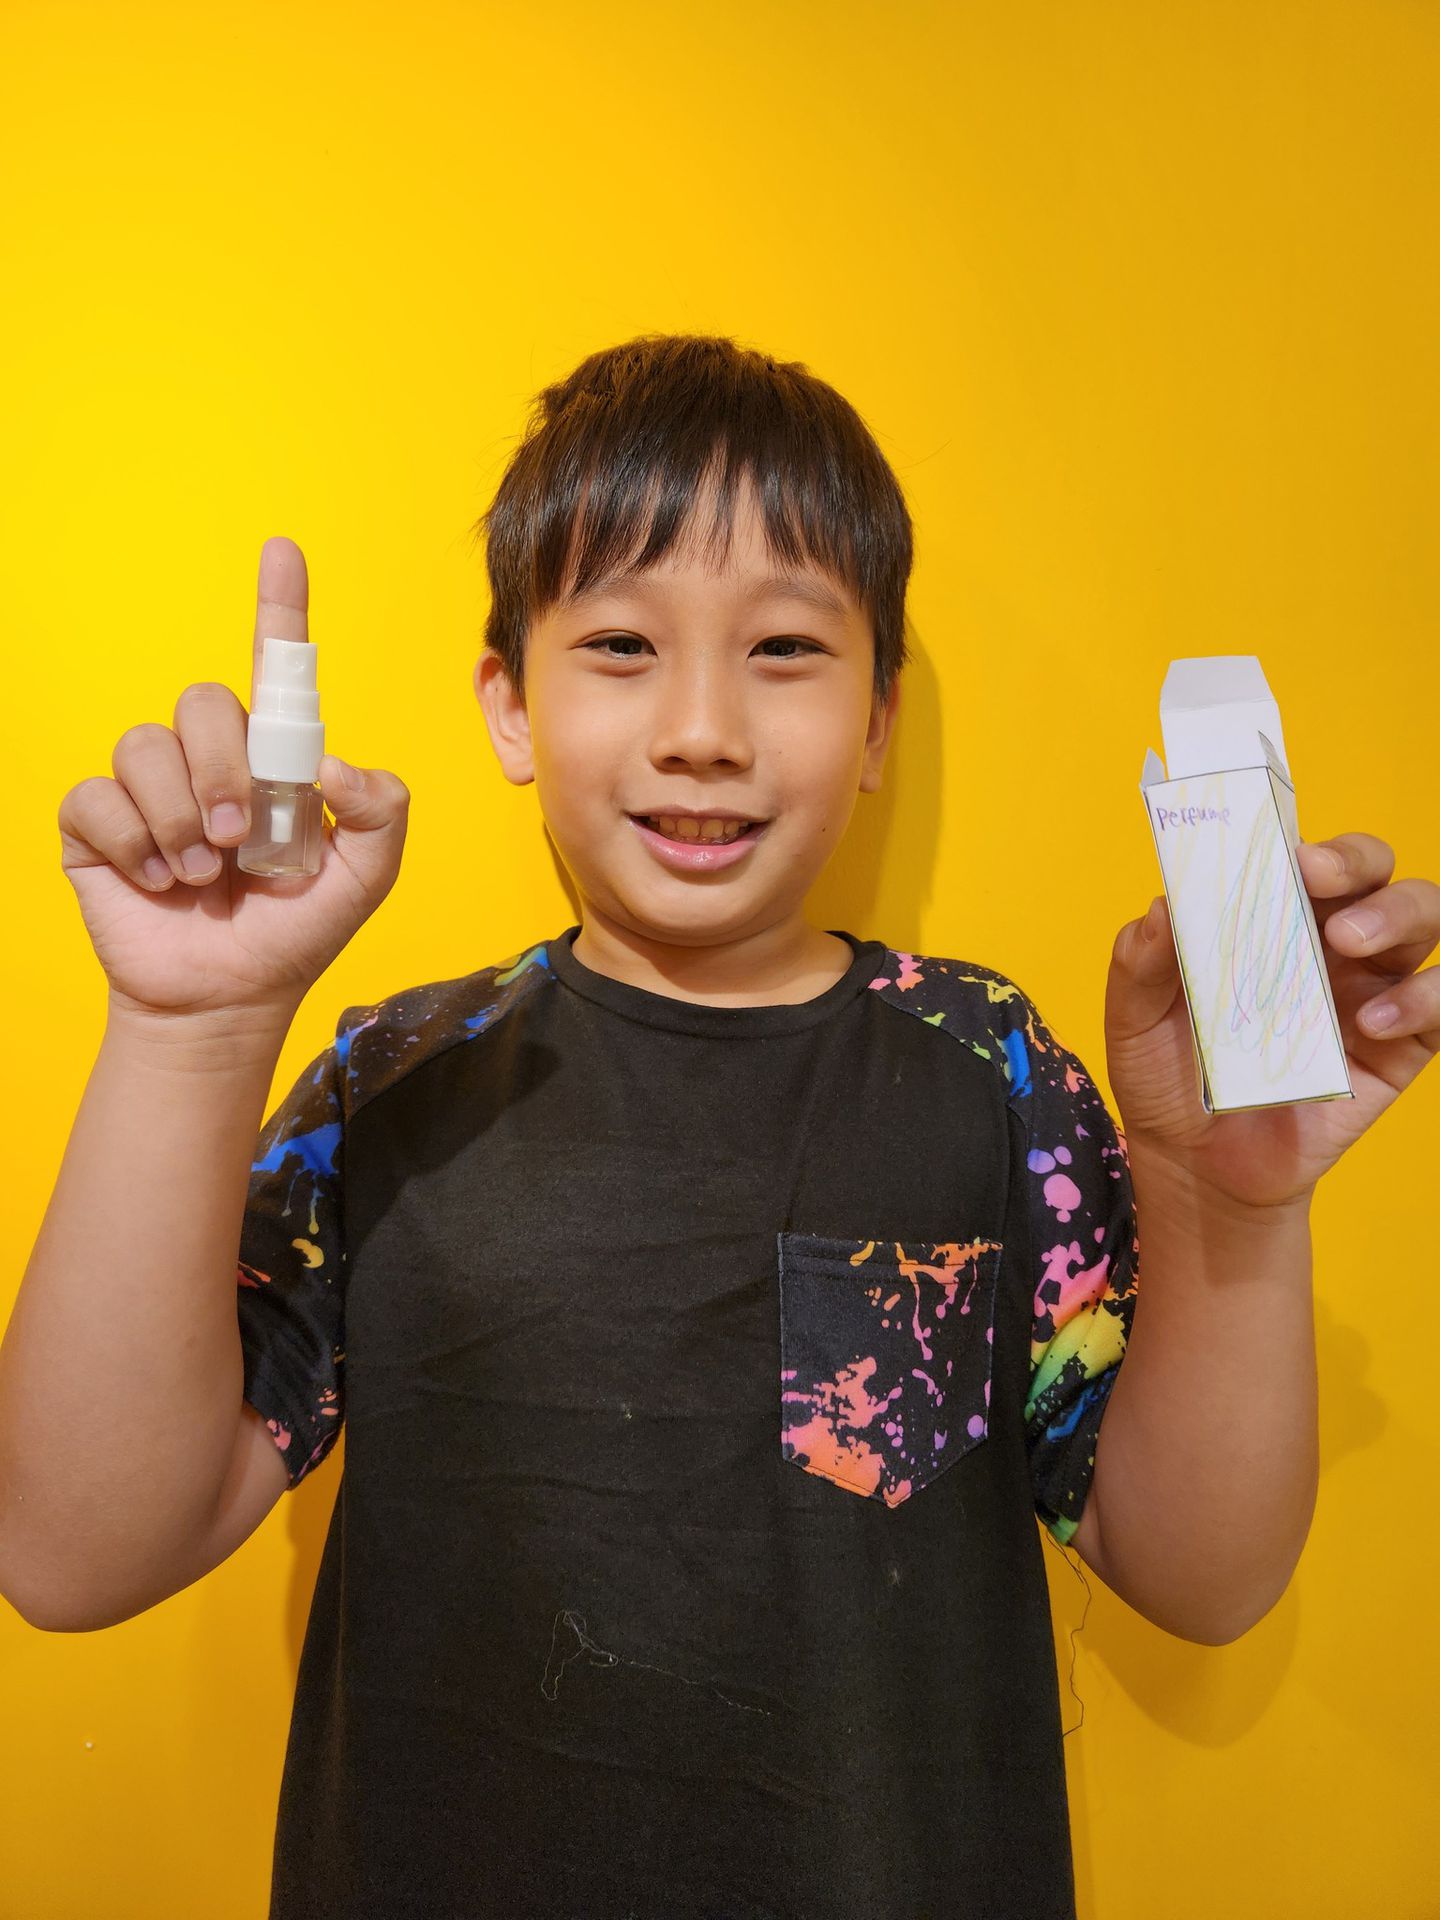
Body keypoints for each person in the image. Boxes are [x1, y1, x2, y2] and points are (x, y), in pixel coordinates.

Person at [8, 334, 1435, 1920]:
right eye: (621, 643)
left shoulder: (990, 1070)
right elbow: (71, 1554)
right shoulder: (394, 1080)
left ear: (879, 722)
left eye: (786, 648)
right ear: (509, 705)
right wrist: (188, 1034)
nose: (703, 726)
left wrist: (1232, 1208)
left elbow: (1203, 1576)